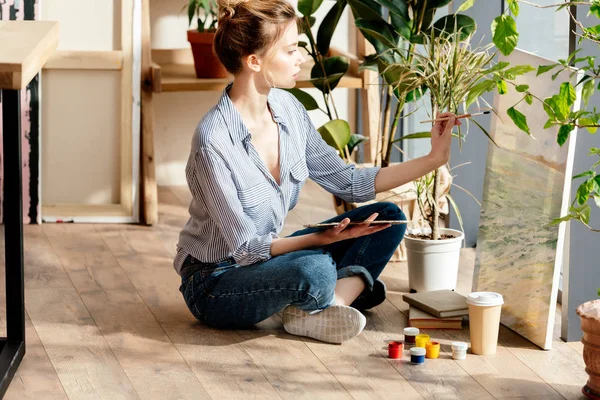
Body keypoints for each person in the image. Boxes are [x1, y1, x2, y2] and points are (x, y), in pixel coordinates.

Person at [176, 0, 460, 344]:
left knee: (389, 217)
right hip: (216, 281)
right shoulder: (213, 141)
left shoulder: (288, 110)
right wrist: (319, 240)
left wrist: (433, 158)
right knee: (315, 267)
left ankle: (327, 306)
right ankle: (329, 296)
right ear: (254, 61)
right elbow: (246, 250)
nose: (302, 58)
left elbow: (350, 182)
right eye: (292, 50)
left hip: (265, 261)